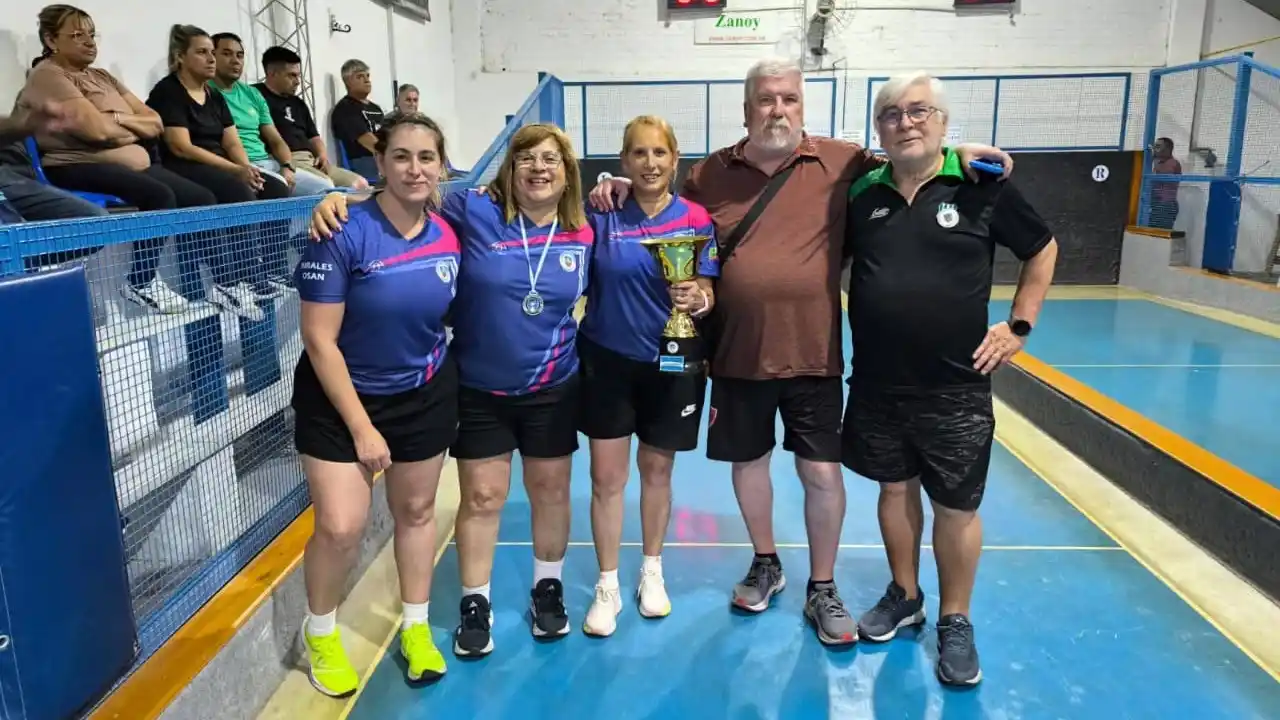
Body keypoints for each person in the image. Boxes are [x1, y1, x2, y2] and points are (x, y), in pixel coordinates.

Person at [588, 56, 1015, 647]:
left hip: (813, 354)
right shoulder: (710, 173)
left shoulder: (842, 162)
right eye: (766, 100)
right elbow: (663, 203)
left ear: (802, 106)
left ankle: (822, 585)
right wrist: (616, 183)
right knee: (749, 465)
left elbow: (911, 152)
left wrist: (959, 150)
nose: (778, 109)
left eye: (788, 98)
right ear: (746, 110)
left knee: (820, 471)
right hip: (737, 350)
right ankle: (766, 561)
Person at [308, 123, 592, 658]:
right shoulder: (472, 211)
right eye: (526, 157)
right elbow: (402, 199)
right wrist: (335, 198)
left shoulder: (587, 225)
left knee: (550, 492)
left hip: (553, 383)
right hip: (478, 385)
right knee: (482, 497)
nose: (538, 168)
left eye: (551, 159)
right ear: (509, 168)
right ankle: (474, 601)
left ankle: (547, 588)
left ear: (568, 171)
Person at [842, 72, 1057, 686]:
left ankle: (955, 620)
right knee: (892, 491)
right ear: (877, 127)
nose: (905, 122)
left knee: (956, 507)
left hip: (956, 386)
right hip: (879, 382)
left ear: (942, 122)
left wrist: (1018, 326)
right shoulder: (861, 193)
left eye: (919, 111)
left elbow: (1042, 249)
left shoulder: (981, 184)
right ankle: (905, 596)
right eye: (891, 114)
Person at [292, 112, 459, 696]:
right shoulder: (340, 228)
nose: (415, 169)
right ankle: (320, 633)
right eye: (402, 157)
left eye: (427, 157)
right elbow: (319, 339)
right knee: (341, 527)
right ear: (380, 163)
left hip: (422, 391)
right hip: (340, 399)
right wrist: (362, 428)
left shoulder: (447, 229)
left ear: (441, 165)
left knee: (415, 515)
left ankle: (415, 628)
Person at [577, 115, 718, 637]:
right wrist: (598, 189)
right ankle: (608, 585)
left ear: (675, 159)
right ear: (624, 162)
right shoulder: (603, 215)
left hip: (674, 361)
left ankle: (651, 572)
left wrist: (698, 300)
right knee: (606, 479)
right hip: (608, 361)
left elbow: (709, 289)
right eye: (639, 154)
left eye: (660, 153)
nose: (650, 163)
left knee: (658, 473)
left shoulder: (698, 219)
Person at [22, 4, 223, 313]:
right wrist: (127, 126)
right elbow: (96, 132)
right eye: (77, 35)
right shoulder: (48, 75)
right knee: (159, 195)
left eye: (92, 34)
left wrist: (113, 118)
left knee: (201, 197)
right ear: (51, 40)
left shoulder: (102, 77)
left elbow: (154, 123)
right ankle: (140, 282)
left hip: (129, 162)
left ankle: (219, 284)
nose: (89, 42)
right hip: (73, 163)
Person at [145, 24, 291, 319]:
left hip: (217, 162)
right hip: (182, 165)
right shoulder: (168, 90)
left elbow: (232, 141)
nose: (211, 59)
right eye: (202, 52)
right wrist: (235, 171)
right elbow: (181, 146)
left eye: (212, 53)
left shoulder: (214, 97)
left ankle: (271, 269)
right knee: (237, 189)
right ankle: (239, 277)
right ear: (180, 57)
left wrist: (245, 167)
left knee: (273, 187)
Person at [209, 33, 332, 197]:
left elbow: (276, 139)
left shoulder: (251, 94)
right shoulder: (207, 92)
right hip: (239, 164)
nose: (235, 61)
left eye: (240, 55)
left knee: (324, 189)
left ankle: (299, 224)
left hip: (268, 162)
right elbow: (229, 143)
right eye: (226, 54)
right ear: (212, 56)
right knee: (281, 188)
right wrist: (245, 167)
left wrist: (287, 166)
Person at [253, 46, 365, 189]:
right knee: (328, 187)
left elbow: (314, 137)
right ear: (272, 73)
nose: (298, 81)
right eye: (291, 75)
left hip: (312, 160)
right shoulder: (255, 96)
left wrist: (323, 156)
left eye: (298, 76)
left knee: (361, 184)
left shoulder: (298, 102)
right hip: (285, 159)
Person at [330, 59, 386, 180]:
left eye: (367, 76)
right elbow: (367, 140)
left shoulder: (375, 108)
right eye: (360, 76)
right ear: (348, 81)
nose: (367, 80)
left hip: (381, 155)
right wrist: (390, 156)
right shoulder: (345, 108)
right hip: (362, 160)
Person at [1148, 137, 1181, 230]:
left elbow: (1164, 175)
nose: (1155, 149)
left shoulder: (1173, 163)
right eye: (1154, 147)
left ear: (1168, 149)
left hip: (1165, 206)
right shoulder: (1158, 163)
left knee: (1160, 232)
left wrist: (1153, 158)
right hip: (1155, 205)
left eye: (1158, 147)